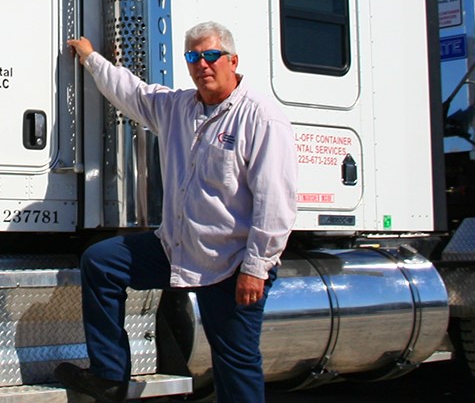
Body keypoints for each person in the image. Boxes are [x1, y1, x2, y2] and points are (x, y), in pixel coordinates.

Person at [54, 21, 298, 403]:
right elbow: (131, 92)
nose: (202, 64)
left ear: (233, 61)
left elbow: (276, 202)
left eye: (211, 55)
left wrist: (255, 268)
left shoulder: (261, 117)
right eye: (193, 57)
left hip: (231, 262)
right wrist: (90, 58)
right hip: (176, 248)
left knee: (235, 363)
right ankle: (110, 375)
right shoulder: (177, 107)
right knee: (101, 263)